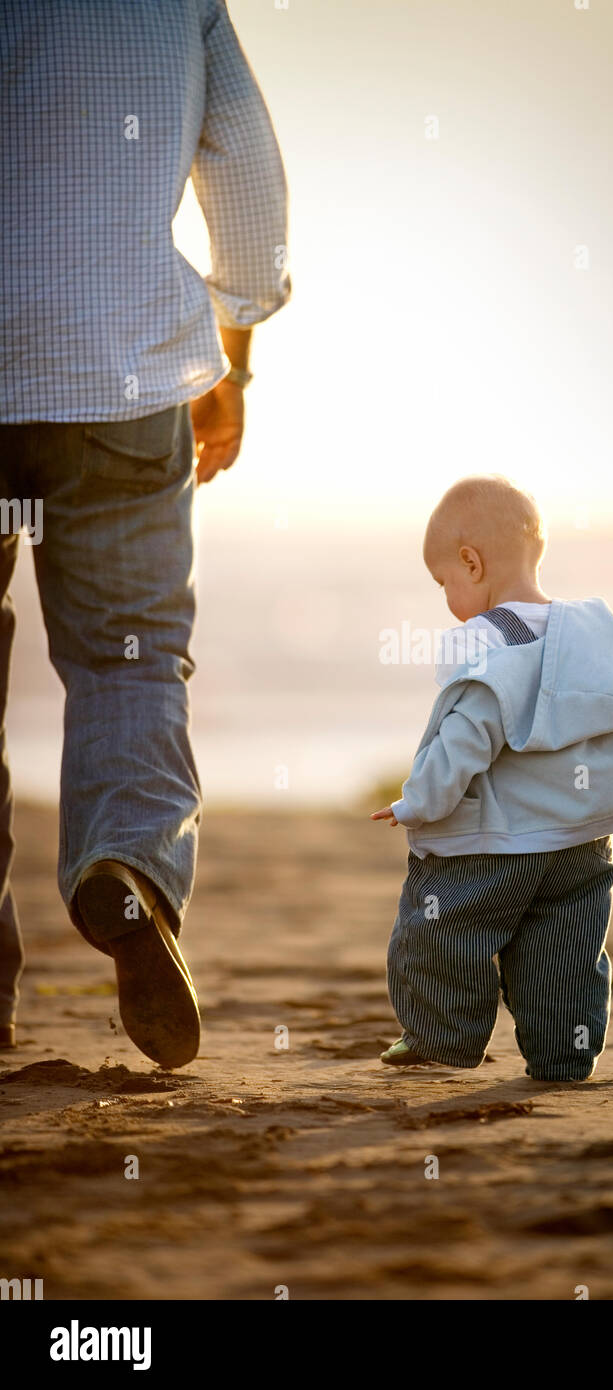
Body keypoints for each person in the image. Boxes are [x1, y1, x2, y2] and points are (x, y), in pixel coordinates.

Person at [0, 1, 290, 1066]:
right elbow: (253, 198)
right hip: (120, 374)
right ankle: (125, 865)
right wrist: (235, 357)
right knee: (128, 653)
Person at [372, 475, 613, 1082]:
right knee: (565, 945)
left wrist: (418, 801)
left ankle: (438, 1037)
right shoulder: (605, 630)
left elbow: (467, 735)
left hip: (500, 843)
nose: (446, 597)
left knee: (444, 927)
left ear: (471, 561)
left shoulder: (488, 645)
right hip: (584, 840)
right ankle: (563, 1055)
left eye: (445, 583)